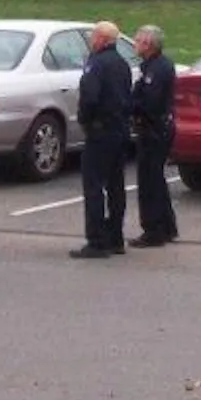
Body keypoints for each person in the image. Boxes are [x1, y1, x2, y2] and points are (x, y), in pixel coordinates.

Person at [70, 20, 133, 260]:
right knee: (116, 186)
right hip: (119, 130)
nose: (91, 40)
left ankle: (96, 241)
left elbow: (90, 97)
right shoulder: (122, 63)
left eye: (94, 36)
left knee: (94, 186)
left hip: (100, 132)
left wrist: (84, 120)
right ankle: (115, 237)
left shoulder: (96, 64)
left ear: (103, 40)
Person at [128, 24, 179, 247]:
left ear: (148, 44)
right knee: (155, 178)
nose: (135, 44)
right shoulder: (152, 66)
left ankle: (154, 230)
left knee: (149, 181)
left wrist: (130, 105)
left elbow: (150, 101)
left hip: (154, 130)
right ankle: (166, 226)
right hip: (156, 128)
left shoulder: (157, 69)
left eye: (138, 40)